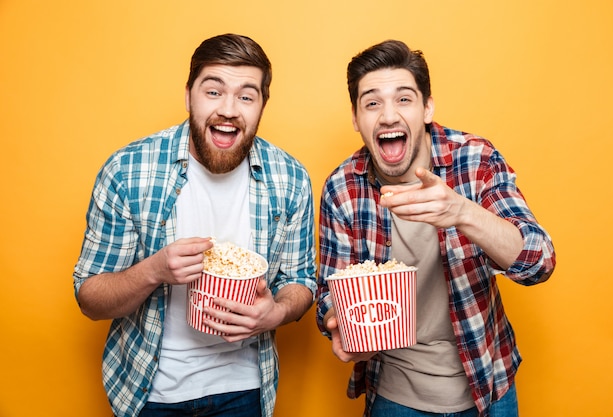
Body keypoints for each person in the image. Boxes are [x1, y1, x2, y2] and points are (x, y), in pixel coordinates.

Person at [73, 33, 317, 417]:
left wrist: (277, 313)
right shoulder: (128, 171)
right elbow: (89, 298)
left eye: (246, 96)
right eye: (213, 91)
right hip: (148, 390)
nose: (229, 109)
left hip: (245, 389)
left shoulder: (290, 178)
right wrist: (153, 270)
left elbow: (301, 280)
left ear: (262, 106)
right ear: (188, 96)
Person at [315, 40, 556, 417]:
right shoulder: (342, 188)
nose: (388, 116)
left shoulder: (475, 159)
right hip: (395, 395)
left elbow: (539, 261)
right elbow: (330, 292)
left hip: (487, 383)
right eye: (372, 103)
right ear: (356, 118)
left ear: (427, 108)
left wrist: (462, 212)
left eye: (404, 99)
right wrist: (339, 327)